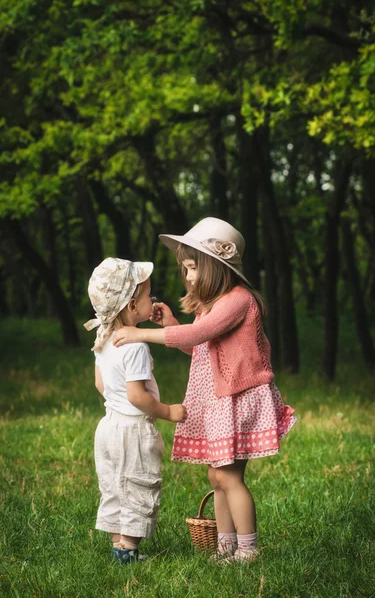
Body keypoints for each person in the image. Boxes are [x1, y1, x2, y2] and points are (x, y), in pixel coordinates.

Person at [113, 218, 297, 563]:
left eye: (193, 267)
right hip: (221, 401)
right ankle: (226, 544)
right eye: (185, 269)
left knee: (228, 476)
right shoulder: (212, 307)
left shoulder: (238, 301)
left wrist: (141, 334)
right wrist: (170, 326)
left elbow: (198, 336)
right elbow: (200, 348)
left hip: (239, 399)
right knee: (217, 475)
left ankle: (249, 548)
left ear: (217, 267)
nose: (190, 277)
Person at [84, 257, 186, 565]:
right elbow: (137, 396)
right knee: (139, 482)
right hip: (132, 428)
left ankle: (119, 545)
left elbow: (100, 383)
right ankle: (128, 549)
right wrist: (167, 411)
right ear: (131, 305)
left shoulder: (103, 338)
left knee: (116, 484)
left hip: (107, 427)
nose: (152, 300)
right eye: (148, 295)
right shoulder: (137, 347)